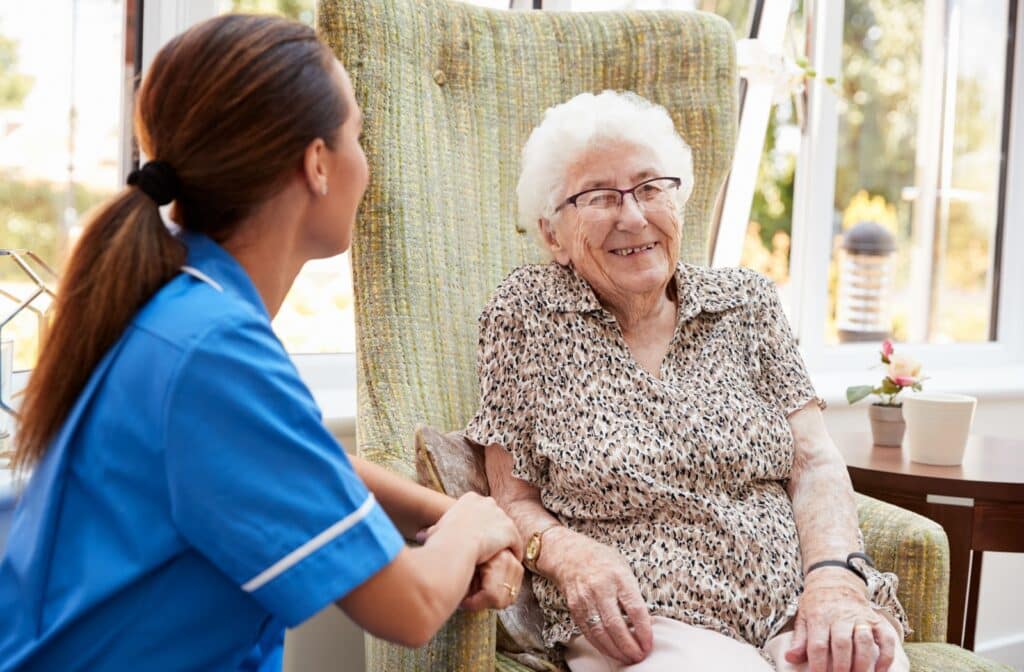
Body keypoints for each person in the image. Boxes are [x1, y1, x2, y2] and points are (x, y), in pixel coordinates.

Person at [0, 14, 522, 671]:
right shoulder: (216, 357)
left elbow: (292, 456)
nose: (368, 162)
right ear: (318, 164)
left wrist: (444, 514)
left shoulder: (176, 312)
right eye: (358, 136)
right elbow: (411, 608)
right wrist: (475, 525)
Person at [467, 91, 910, 672]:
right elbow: (512, 497)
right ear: (553, 235)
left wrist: (833, 584)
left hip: (795, 604)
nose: (634, 216)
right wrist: (569, 554)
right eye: (600, 197)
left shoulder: (746, 303)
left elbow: (816, 463)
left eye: (651, 188)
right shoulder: (525, 314)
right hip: (649, 620)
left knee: (866, 662)